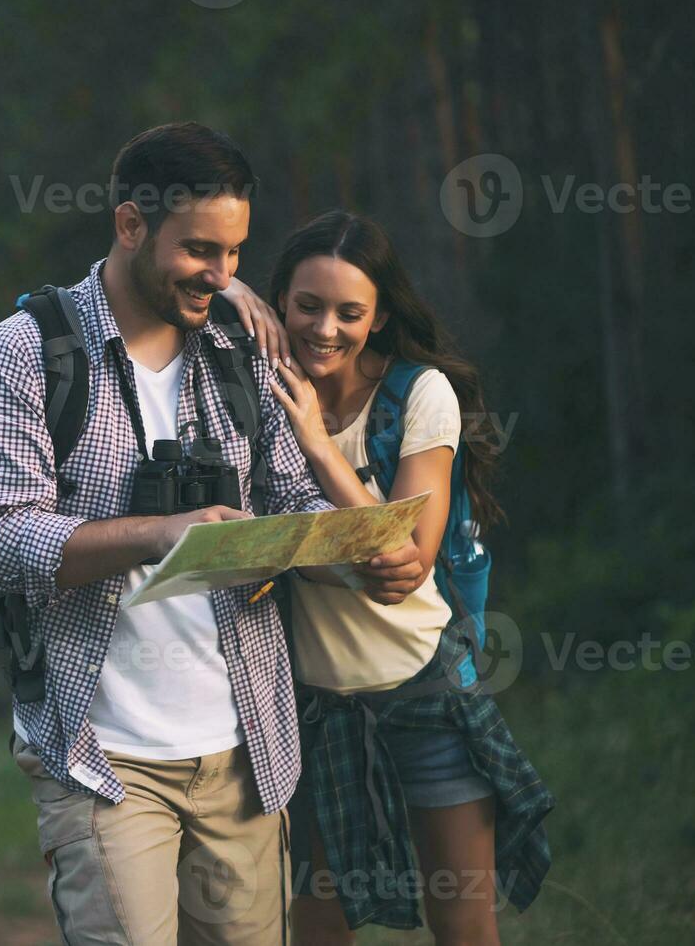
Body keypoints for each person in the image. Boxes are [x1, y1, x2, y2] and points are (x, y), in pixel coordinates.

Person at [0, 125, 426, 946]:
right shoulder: (26, 356)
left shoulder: (240, 350)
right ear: (131, 225)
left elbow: (285, 495)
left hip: (248, 748)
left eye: (236, 253)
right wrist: (160, 533)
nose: (223, 274)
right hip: (102, 759)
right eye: (201, 250)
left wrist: (347, 549)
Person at [218, 210, 553, 945]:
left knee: (463, 923)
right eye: (306, 306)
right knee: (318, 925)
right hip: (312, 708)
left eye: (350, 313)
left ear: (379, 317)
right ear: (279, 304)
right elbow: (161, 259)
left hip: (425, 691)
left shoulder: (418, 394)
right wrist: (231, 289)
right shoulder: (246, 388)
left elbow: (404, 560)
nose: (325, 329)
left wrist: (320, 446)